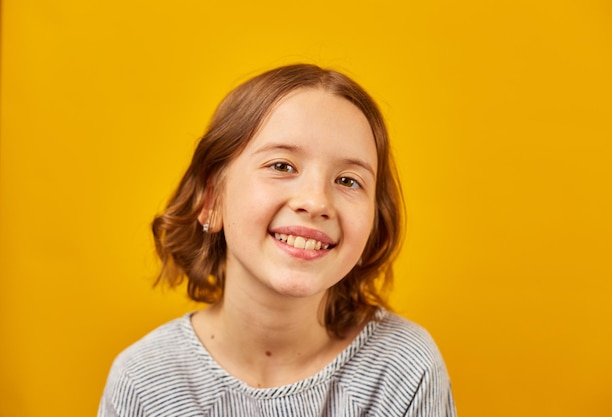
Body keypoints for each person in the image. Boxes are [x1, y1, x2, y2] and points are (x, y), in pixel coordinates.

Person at [98, 64, 456, 416]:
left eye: (348, 181)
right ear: (211, 200)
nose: (316, 202)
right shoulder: (143, 381)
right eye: (282, 166)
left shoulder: (404, 369)